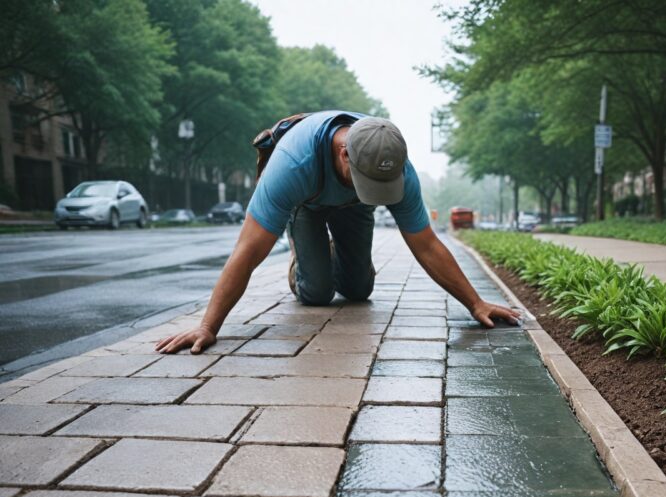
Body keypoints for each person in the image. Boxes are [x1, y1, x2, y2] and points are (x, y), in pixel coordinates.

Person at [156, 111, 520, 354]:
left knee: (359, 290)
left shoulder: (394, 165)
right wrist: (208, 326)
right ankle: (305, 257)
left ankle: (336, 253)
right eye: (368, 181)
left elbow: (425, 244)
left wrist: (475, 303)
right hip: (307, 203)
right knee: (317, 294)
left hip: (355, 206)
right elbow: (248, 251)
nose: (379, 189)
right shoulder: (292, 165)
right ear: (344, 154)